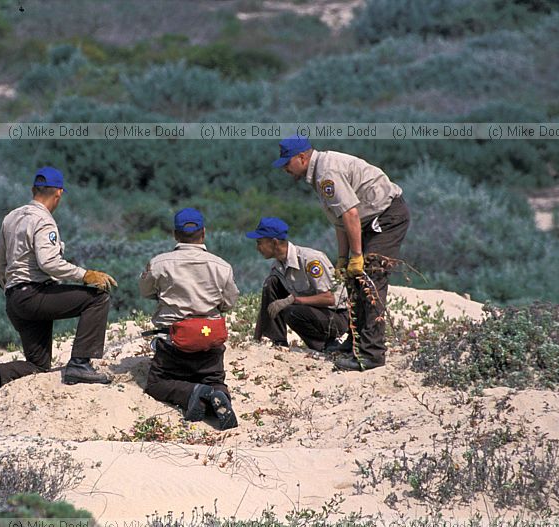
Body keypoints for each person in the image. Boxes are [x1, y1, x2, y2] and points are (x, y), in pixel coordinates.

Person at [0, 166, 117, 404]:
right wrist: (85, 274)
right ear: (59, 193)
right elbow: (49, 263)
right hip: (35, 295)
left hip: (15, 300)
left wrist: (11, 289)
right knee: (97, 299)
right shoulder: (44, 221)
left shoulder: (11, 217)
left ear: (33, 190)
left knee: (38, 365)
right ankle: (80, 364)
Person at [272, 135, 410, 370]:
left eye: (287, 162)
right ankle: (355, 343)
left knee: (370, 282)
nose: (285, 168)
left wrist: (356, 255)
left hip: (385, 218)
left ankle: (372, 354)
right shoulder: (318, 173)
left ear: (302, 157)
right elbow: (340, 221)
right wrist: (344, 258)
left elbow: (350, 214)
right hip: (367, 222)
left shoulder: (326, 173)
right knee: (353, 279)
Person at [139, 208, 240, 430]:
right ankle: (217, 395)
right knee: (215, 380)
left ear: (175, 234)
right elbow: (230, 302)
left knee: (156, 384)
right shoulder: (222, 266)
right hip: (208, 342)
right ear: (203, 233)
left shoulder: (159, 263)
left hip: (174, 344)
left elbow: (145, 291)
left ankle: (192, 392)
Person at [246, 216, 350, 352]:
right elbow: (268, 305)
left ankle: (325, 345)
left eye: (260, 242)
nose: (258, 248)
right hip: (312, 312)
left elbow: (329, 298)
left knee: (292, 311)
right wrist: (256, 338)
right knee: (270, 283)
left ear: (274, 242)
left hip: (335, 316)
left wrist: (293, 300)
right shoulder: (277, 267)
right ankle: (277, 341)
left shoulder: (311, 260)